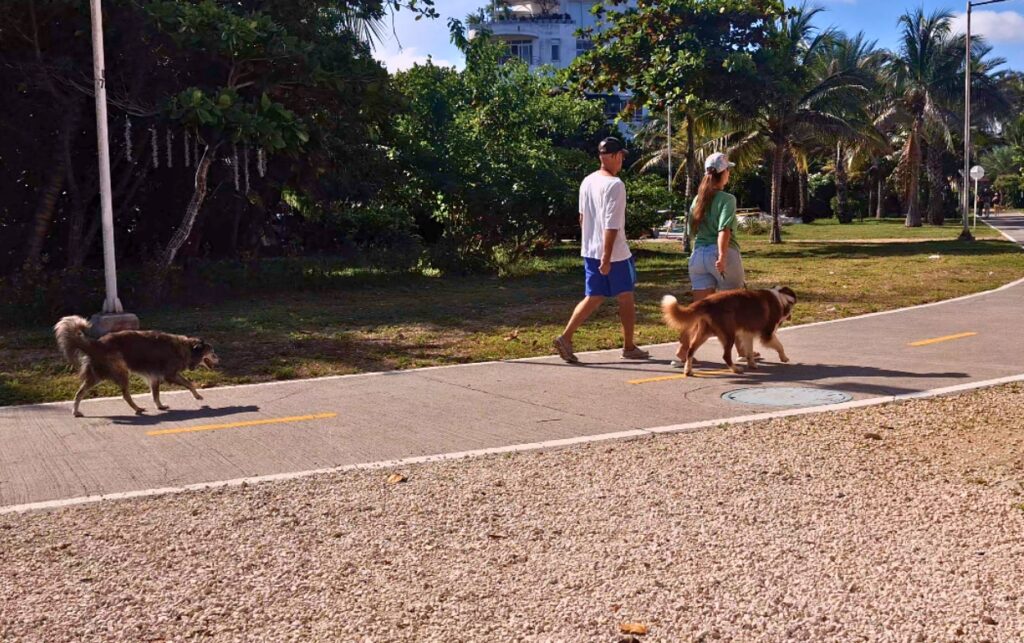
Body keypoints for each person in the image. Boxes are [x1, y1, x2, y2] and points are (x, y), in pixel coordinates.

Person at [553, 137, 650, 364]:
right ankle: (628, 346)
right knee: (626, 296)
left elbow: (582, 217)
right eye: (622, 157)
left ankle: (566, 337)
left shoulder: (587, 181)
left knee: (593, 296)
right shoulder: (615, 185)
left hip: (590, 249)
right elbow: (612, 224)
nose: (622, 162)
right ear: (615, 156)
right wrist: (606, 257)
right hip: (614, 253)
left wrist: (593, 245)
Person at [673, 152, 748, 368]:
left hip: (698, 257)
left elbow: (691, 231)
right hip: (720, 254)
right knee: (737, 305)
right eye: (728, 170)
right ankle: (743, 351)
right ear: (723, 173)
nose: (729, 174)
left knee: (699, 309)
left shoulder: (698, 199)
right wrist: (722, 256)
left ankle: (682, 350)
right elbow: (724, 229)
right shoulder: (727, 199)